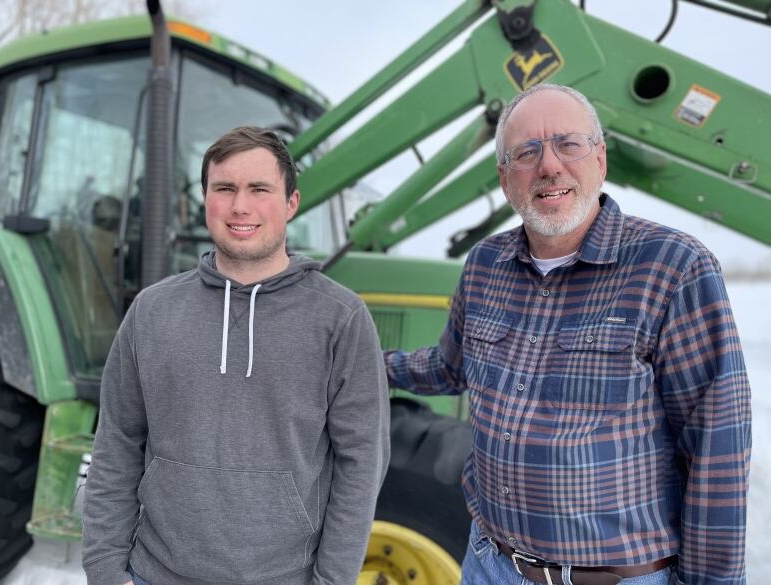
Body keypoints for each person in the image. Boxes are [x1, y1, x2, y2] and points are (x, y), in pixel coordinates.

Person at [385, 84, 751, 585]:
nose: (549, 166)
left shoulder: (673, 267)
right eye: (526, 152)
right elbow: (450, 366)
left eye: (568, 144)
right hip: (488, 563)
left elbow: (717, 443)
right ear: (505, 177)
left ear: (600, 158)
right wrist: (365, 360)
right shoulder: (485, 264)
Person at [82, 126, 390, 585]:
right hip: (155, 574)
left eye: (259, 190)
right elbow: (117, 444)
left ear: (291, 203)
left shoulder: (340, 318)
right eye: (224, 189)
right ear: (205, 200)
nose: (240, 206)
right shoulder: (152, 310)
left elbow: (362, 464)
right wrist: (106, 571)